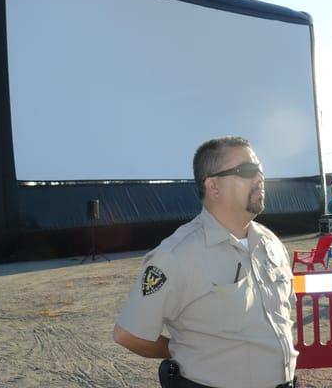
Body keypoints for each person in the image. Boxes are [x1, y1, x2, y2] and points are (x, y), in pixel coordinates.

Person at [114, 136, 298, 388]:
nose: (259, 178)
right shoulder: (176, 255)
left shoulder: (271, 244)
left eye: (260, 170)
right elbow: (128, 334)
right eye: (246, 171)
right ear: (213, 186)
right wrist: (181, 349)